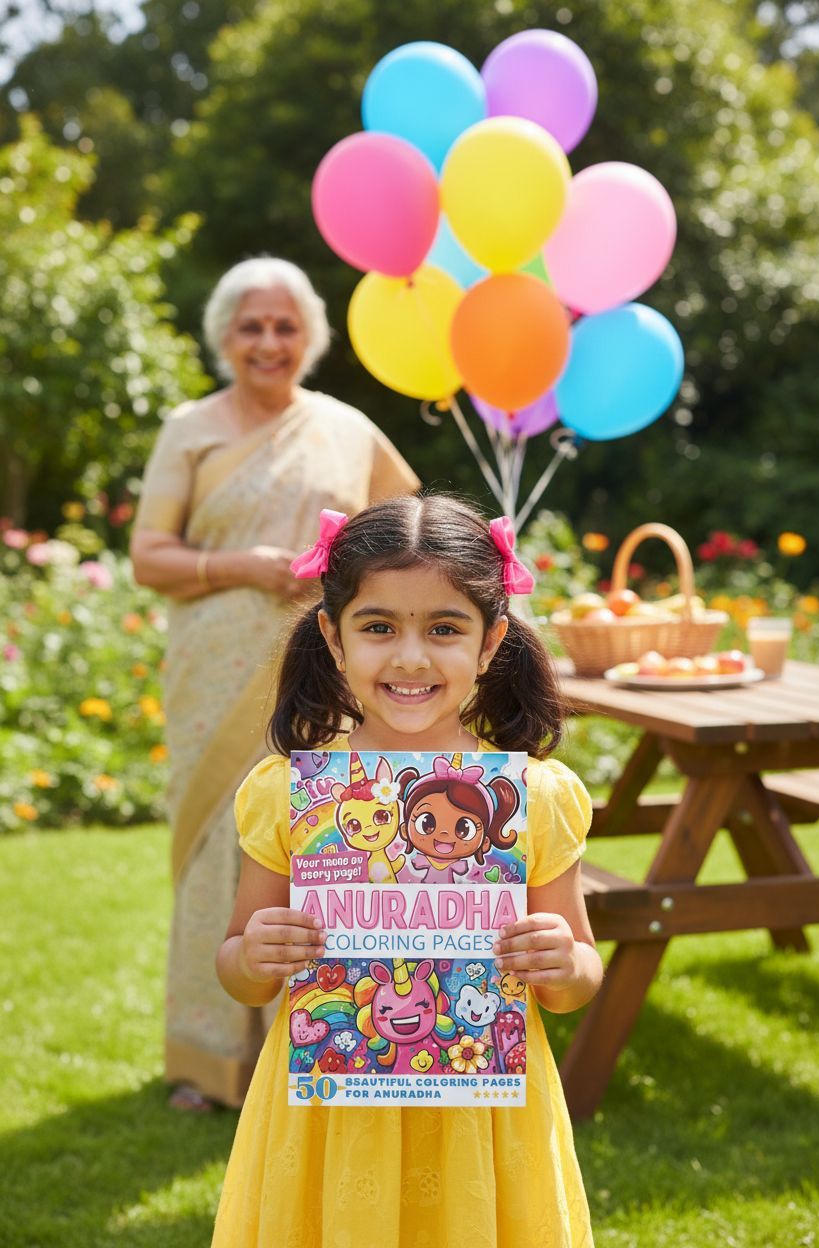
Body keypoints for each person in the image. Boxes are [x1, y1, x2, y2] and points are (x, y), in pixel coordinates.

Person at [212, 494, 602, 1247]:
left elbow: (575, 981)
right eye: (379, 626)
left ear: (491, 643)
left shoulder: (535, 797)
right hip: (329, 1114)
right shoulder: (291, 794)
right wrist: (255, 951)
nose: (412, 657)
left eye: (445, 629)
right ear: (333, 636)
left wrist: (561, 958)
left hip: (484, 1121)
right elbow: (240, 972)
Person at [129, 257, 419, 1112]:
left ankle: (320, 1039)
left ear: (311, 337)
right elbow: (149, 555)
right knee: (222, 847)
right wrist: (243, 566)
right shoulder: (191, 428)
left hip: (324, 667)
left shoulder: (346, 429)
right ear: (225, 335)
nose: (268, 342)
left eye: (285, 326)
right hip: (215, 673)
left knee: (320, 840)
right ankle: (208, 1060)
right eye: (251, 326)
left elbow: (404, 528)